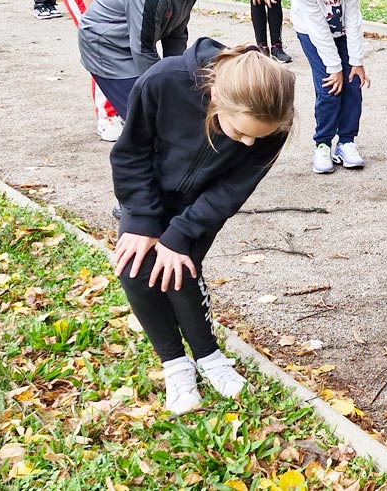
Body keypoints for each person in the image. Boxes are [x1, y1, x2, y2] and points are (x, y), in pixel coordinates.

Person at [109, 39, 295, 415]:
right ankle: (176, 366)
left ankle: (209, 357)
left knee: (180, 271)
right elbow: (131, 153)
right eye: (239, 132)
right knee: (134, 269)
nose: (247, 142)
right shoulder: (163, 81)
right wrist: (143, 220)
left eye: (256, 138)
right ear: (215, 97)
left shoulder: (274, 122)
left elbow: (233, 189)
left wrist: (179, 235)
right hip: (146, 193)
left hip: (200, 206)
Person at [77, 0, 225, 117]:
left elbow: (176, 35)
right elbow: (143, 50)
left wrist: (177, 76)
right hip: (105, 46)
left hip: (132, 44)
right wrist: (163, 87)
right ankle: (115, 124)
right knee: (142, 112)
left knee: (163, 103)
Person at [57, 0, 175, 142]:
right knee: (101, 52)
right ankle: (106, 116)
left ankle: (121, 103)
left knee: (124, 47)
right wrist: (101, 29)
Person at [289, 0, 368, 174]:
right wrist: (334, 68)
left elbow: (353, 17)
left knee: (353, 83)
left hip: (342, 31)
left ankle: (346, 142)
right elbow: (318, 29)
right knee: (330, 87)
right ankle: (322, 144)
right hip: (311, 32)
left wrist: (356, 62)